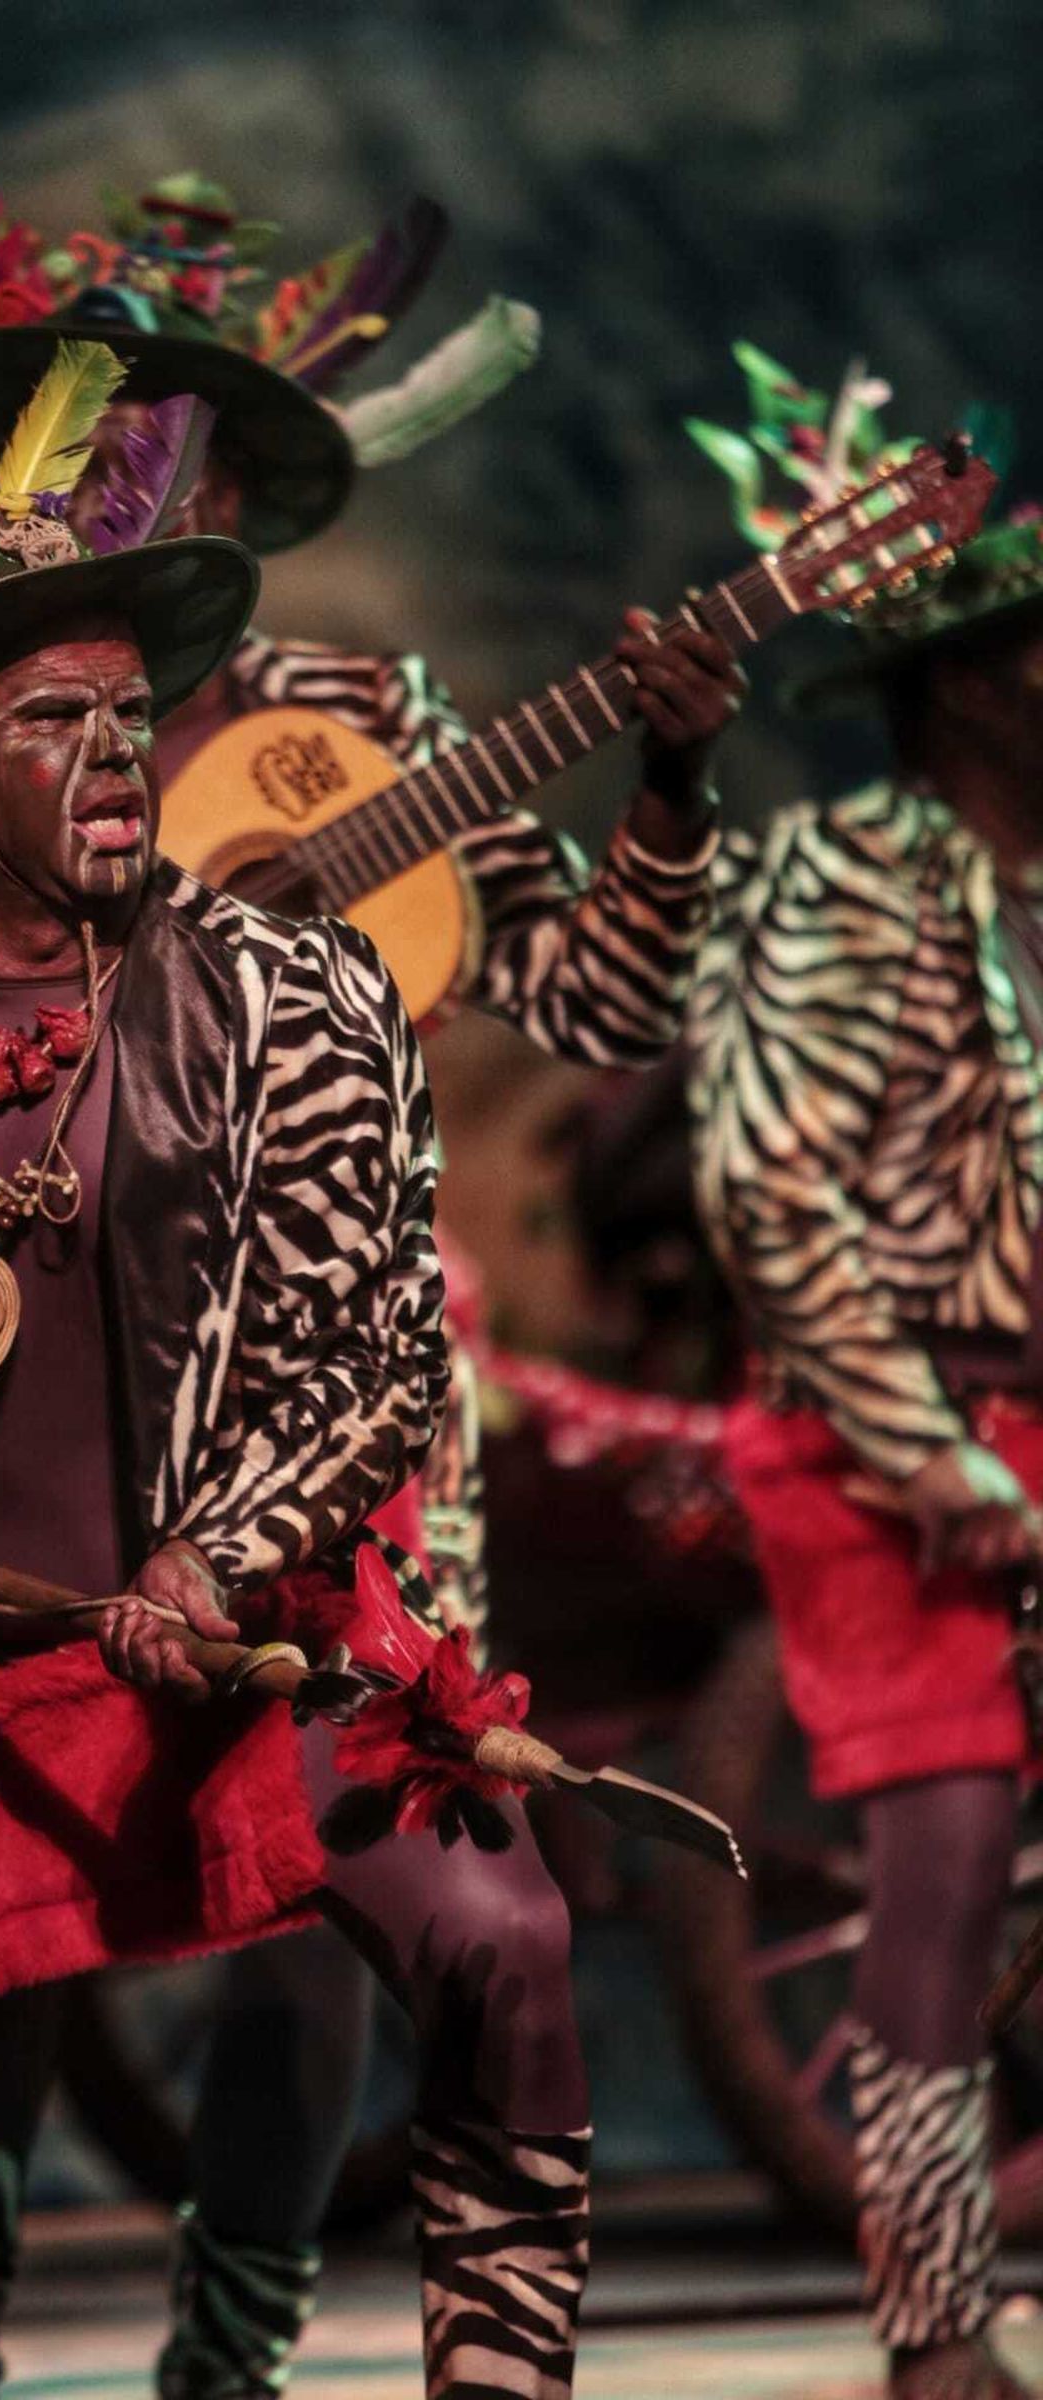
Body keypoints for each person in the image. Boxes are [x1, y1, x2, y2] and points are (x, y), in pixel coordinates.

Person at [0, 162, 745, 2400]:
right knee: (0, 1903)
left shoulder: (365, 701)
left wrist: (665, 775)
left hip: (335, 1401)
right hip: (11, 1404)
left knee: (314, 1917)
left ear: (237, 479)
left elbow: (585, 1004)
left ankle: (230, 2358)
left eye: (173, 425)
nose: (127, 453)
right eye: (84, 422)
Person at [688, 349, 1043, 2400]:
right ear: (970, 683)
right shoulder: (833, 882)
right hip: (883, 1417)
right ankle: (929, 2321)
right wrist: (921, 1449)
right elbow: (768, 1192)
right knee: (940, 1854)